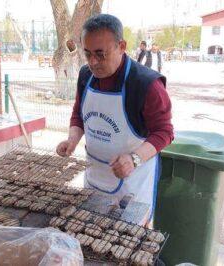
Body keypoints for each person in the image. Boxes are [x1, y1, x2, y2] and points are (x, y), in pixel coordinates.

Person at [56, 14, 173, 222]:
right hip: (95, 176)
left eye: (101, 54)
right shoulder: (85, 76)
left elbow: (164, 132)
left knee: (128, 241)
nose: (93, 62)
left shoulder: (146, 84)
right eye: (88, 53)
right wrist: (72, 139)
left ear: (121, 46)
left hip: (132, 181)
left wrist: (134, 159)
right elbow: (79, 114)